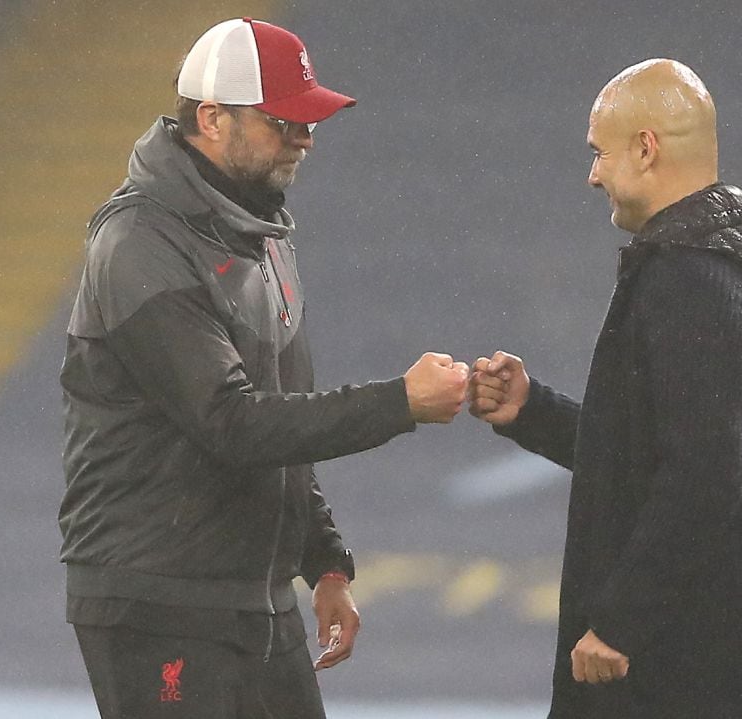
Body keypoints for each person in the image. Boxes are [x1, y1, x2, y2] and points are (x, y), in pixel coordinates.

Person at [58, 18, 468, 718]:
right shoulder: (139, 241)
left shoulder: (261, 235)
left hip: (249, 595)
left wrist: (326, 562)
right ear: (212, 119)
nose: (305, 140)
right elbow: (234, 423)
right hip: (161, 599)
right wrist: (399, 402)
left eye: (310, 123)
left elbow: (283, 418)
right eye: (284, 122)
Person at [469, 59, 742, 717]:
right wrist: (531, 411)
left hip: (695, 669)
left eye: (599, 153)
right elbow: (660, 449)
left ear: (646, 149)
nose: (592, 175)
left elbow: (703, 474)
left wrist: (621, 619)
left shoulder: (688, 278)